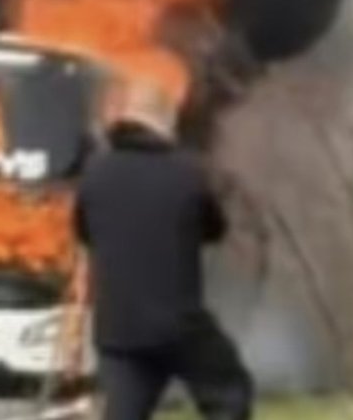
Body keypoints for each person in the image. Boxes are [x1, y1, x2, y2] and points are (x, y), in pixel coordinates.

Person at [74, 83, 253, 420]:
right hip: (179, 327)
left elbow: (84, 233)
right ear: (164, 123)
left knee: (124, 413)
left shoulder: (95, 172)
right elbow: (214, 229)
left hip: (118, 333)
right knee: (229, 392)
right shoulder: (187, 172)